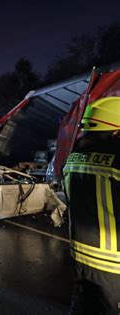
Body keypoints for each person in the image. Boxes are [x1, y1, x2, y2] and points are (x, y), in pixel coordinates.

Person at [63, 97, 120, 313]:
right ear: (116, 130)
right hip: (115, 266)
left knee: (83, 307)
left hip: (82, 257)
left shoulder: (73, 158)